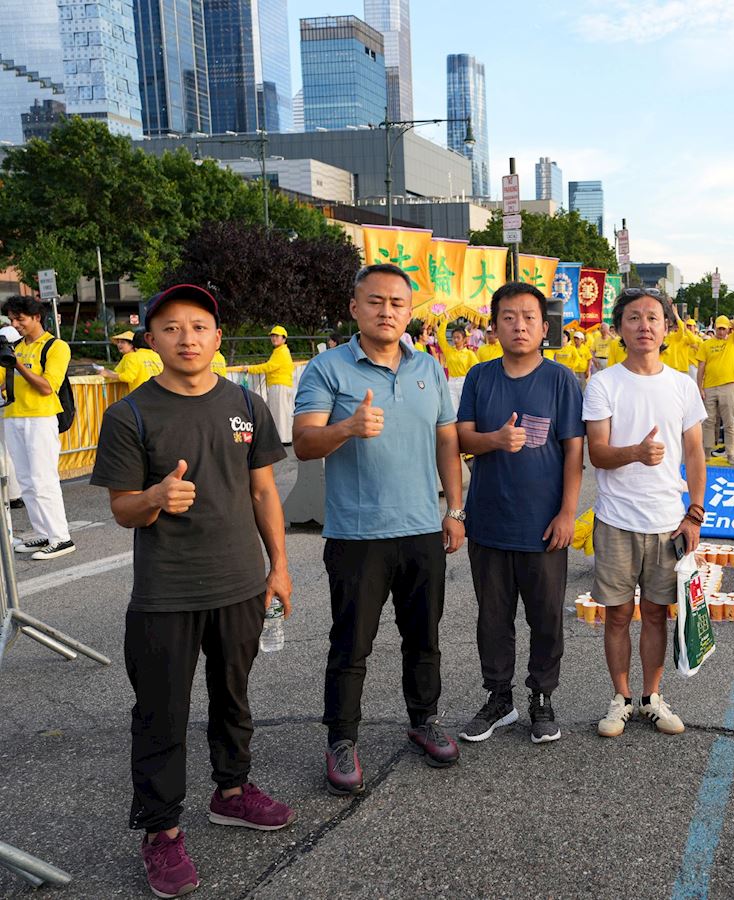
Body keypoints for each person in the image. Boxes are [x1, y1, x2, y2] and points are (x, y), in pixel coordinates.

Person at [90, 284, 294, 899]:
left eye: (199, 326)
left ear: (217, 337)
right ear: (152, 339)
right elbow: (123, 509)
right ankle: (161, 830)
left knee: (234, 696)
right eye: (172, 328)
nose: (187, 338)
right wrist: (153, 497)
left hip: (240, 584)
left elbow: (263, 491)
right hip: (165, 593)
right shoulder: (130, 414)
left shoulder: (246, 403)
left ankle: (232, 791)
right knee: (161, 712)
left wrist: (279, 567)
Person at [293, 263, 467, 793]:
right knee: (351, 644)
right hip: (357, 535)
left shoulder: (428, 368)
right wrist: (347, 427)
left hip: (421, 529)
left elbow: (446, 440)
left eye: (397, 303)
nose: (386, 311)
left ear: (409, 312)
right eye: (375, 301)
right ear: (355, 308)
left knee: (424, 637)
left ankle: (424, 719)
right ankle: (341, 739)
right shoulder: (327, 368)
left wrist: (455, 510)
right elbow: (304, 442)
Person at [455, 282, 583, 745]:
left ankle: (542, 696)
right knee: (493, 617)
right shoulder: (479, 377)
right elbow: (461, 437)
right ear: (494, 327)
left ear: (545, 327)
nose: (520, 326)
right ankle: (498, 697)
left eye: (529, 317)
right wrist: (494, 440)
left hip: (543, 525)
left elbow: (574, 451)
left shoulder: (561, 380)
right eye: (508, 317)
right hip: (489, 521)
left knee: (546, 617)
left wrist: (567, 512)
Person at [584, 287, 705, 738]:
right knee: (617, 616)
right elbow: (597, 453)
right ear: (619, 328)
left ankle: (652, 697)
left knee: (656, 614)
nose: (644, 326)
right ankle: (621, 698)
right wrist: (635, 452)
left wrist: (694, 514)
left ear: (667, 328)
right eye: (633, 317)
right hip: (617, 520)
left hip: (667, 522)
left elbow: (695, 453)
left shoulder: (682, 385)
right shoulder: (604, 384)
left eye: (653, 318)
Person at [1, 295, 75, 560]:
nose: (15, 324)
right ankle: (44, 533)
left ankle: (61, 538)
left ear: (36, 317)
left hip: (41, 418)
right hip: (13, 416)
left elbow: (47, 387)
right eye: (11, 319)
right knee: (26, 481)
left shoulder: (56, 346)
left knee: (43, 480)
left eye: (19, 319)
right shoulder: (14, 347)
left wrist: (17, 364)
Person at [696, 289, 734, 466]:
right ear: (715, 328)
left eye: (724, 328)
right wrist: (699, 387)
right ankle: (706, 453)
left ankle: (730, 454)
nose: (721, 332)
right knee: (708, 421)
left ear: (728, 329)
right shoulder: (706, 345)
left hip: (728, 386)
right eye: (719, 328)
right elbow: (701, 367)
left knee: (729, 422)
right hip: (709, 387)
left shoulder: (733, 341)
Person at [227, 325, 295, 444]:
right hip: (280, 384)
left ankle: (284, 439)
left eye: (277, 336)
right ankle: (284, 438)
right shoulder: (280, 351)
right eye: (272, 336)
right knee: (281, 412)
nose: (274, 338)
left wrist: (250, 369)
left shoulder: (282, 352)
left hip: (280, 385)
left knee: (280, 412)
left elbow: (269, 367)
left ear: (284, 339)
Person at [94, 329, 163, 391]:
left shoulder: (132, 357)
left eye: (122, 342)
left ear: (133, 344)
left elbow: (128, 377)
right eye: (118, 342)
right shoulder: (157, 356)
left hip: (141, 395)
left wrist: (108, 374)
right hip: (160, 394)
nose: (119, 345)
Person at [436, 321, 478, 409]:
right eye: (454, 337)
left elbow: (477, 370)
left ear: (464, 339)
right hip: (451, 382)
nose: (455, 340)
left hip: (464, 382)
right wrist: (445, 321)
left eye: (458, 337)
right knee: (453, 409)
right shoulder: (449, 350)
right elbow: (440, 336)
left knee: (464, 408)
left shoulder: (469, 354)